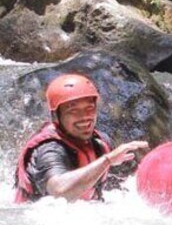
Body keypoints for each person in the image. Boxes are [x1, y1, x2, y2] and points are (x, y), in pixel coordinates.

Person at [14, 73, 149, 203]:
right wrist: (107, 160)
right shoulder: (48, 150)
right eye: (73, 111)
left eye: (89, 108)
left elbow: (127, 185)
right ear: (56, 116)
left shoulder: (100, 143)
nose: (84, 117)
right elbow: (60, 192)